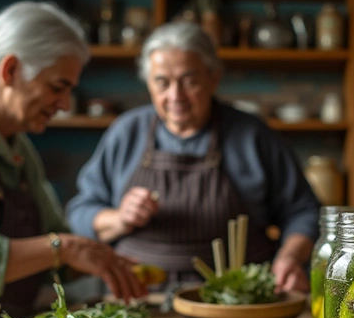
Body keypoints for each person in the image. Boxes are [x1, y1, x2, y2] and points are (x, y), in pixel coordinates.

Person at [66, 22, 320, 292]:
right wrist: (118, 218)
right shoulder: (126, 132)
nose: (175, 96)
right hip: (136, 297)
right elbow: (79, 212)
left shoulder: (251, 136)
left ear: (214, 78)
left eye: (189, 81)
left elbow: (304, 212)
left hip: (235, 301)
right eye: (162, 82)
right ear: (149, 83)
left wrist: (289, 258)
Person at [0, 1, 146, 318]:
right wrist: (65, 248)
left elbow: (53, 250)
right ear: (10, 70)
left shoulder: (19, 146)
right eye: (57, 87)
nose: (65, 105)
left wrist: (100, 258)